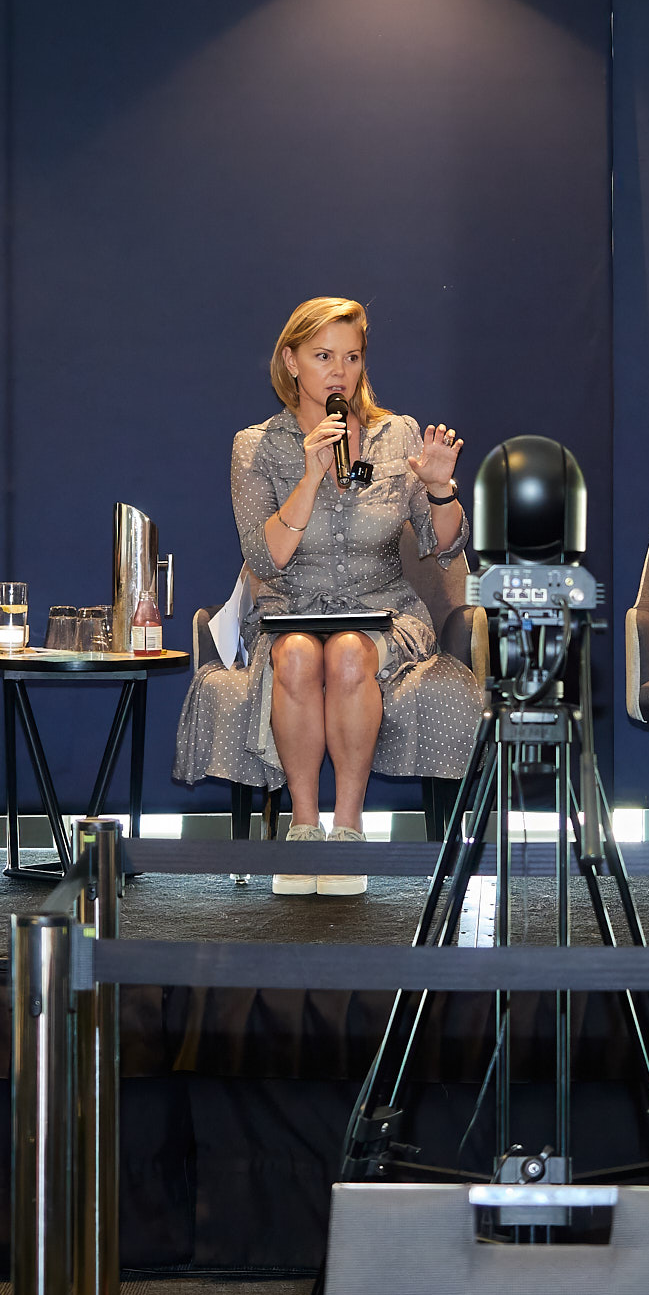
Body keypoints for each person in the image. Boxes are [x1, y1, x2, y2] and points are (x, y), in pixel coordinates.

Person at [172, 297, 485, 896]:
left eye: (352, 357)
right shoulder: (256, 447)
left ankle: (347, 831)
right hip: (287, 611)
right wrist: (312, 474)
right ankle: (303, 829)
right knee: (296, 654)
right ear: (291, 362)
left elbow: (444, 546)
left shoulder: (397, 436)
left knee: (346, 651)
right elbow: (266, 558)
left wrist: (441, 489)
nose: (340, 372)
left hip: (383, 615)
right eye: (323, 357)